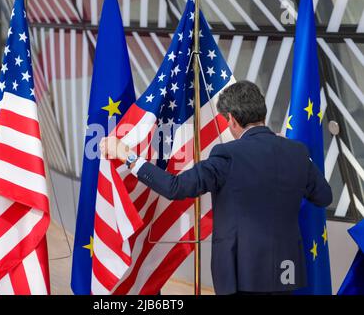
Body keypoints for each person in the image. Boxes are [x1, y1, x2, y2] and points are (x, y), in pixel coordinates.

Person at [100, 80, 333, 295]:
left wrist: (127, 156)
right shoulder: (297, 153)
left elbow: (174, 187)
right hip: (286, 269)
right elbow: (324, 196)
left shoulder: (227, 155)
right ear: (262, 111)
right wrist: (299, 157)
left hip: (240, 272)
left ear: (231, 119)